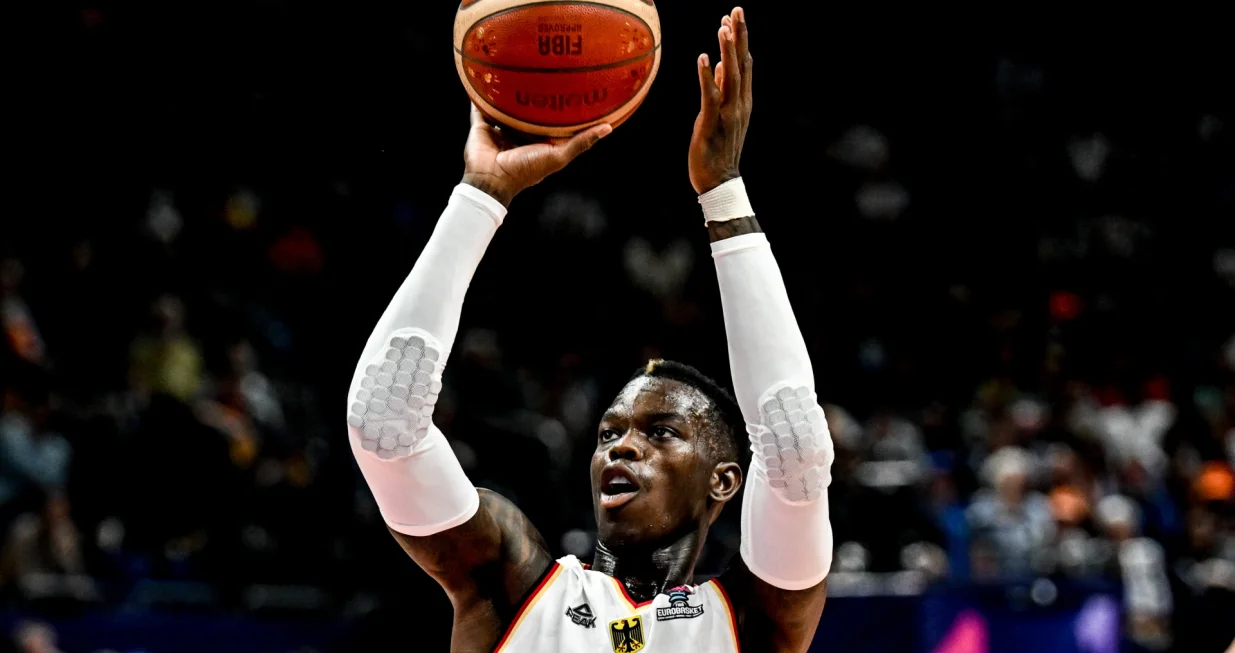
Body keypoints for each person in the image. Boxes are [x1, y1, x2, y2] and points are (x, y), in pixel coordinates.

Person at [346, 8, 833, 651]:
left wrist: (723, 195)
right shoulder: (511, 586)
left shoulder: (752, 621)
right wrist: (480, 194)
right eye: (610, 433)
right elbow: (384, 426)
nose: (621, 449)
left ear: (723, 480)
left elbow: (794, 446)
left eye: (660, 433)